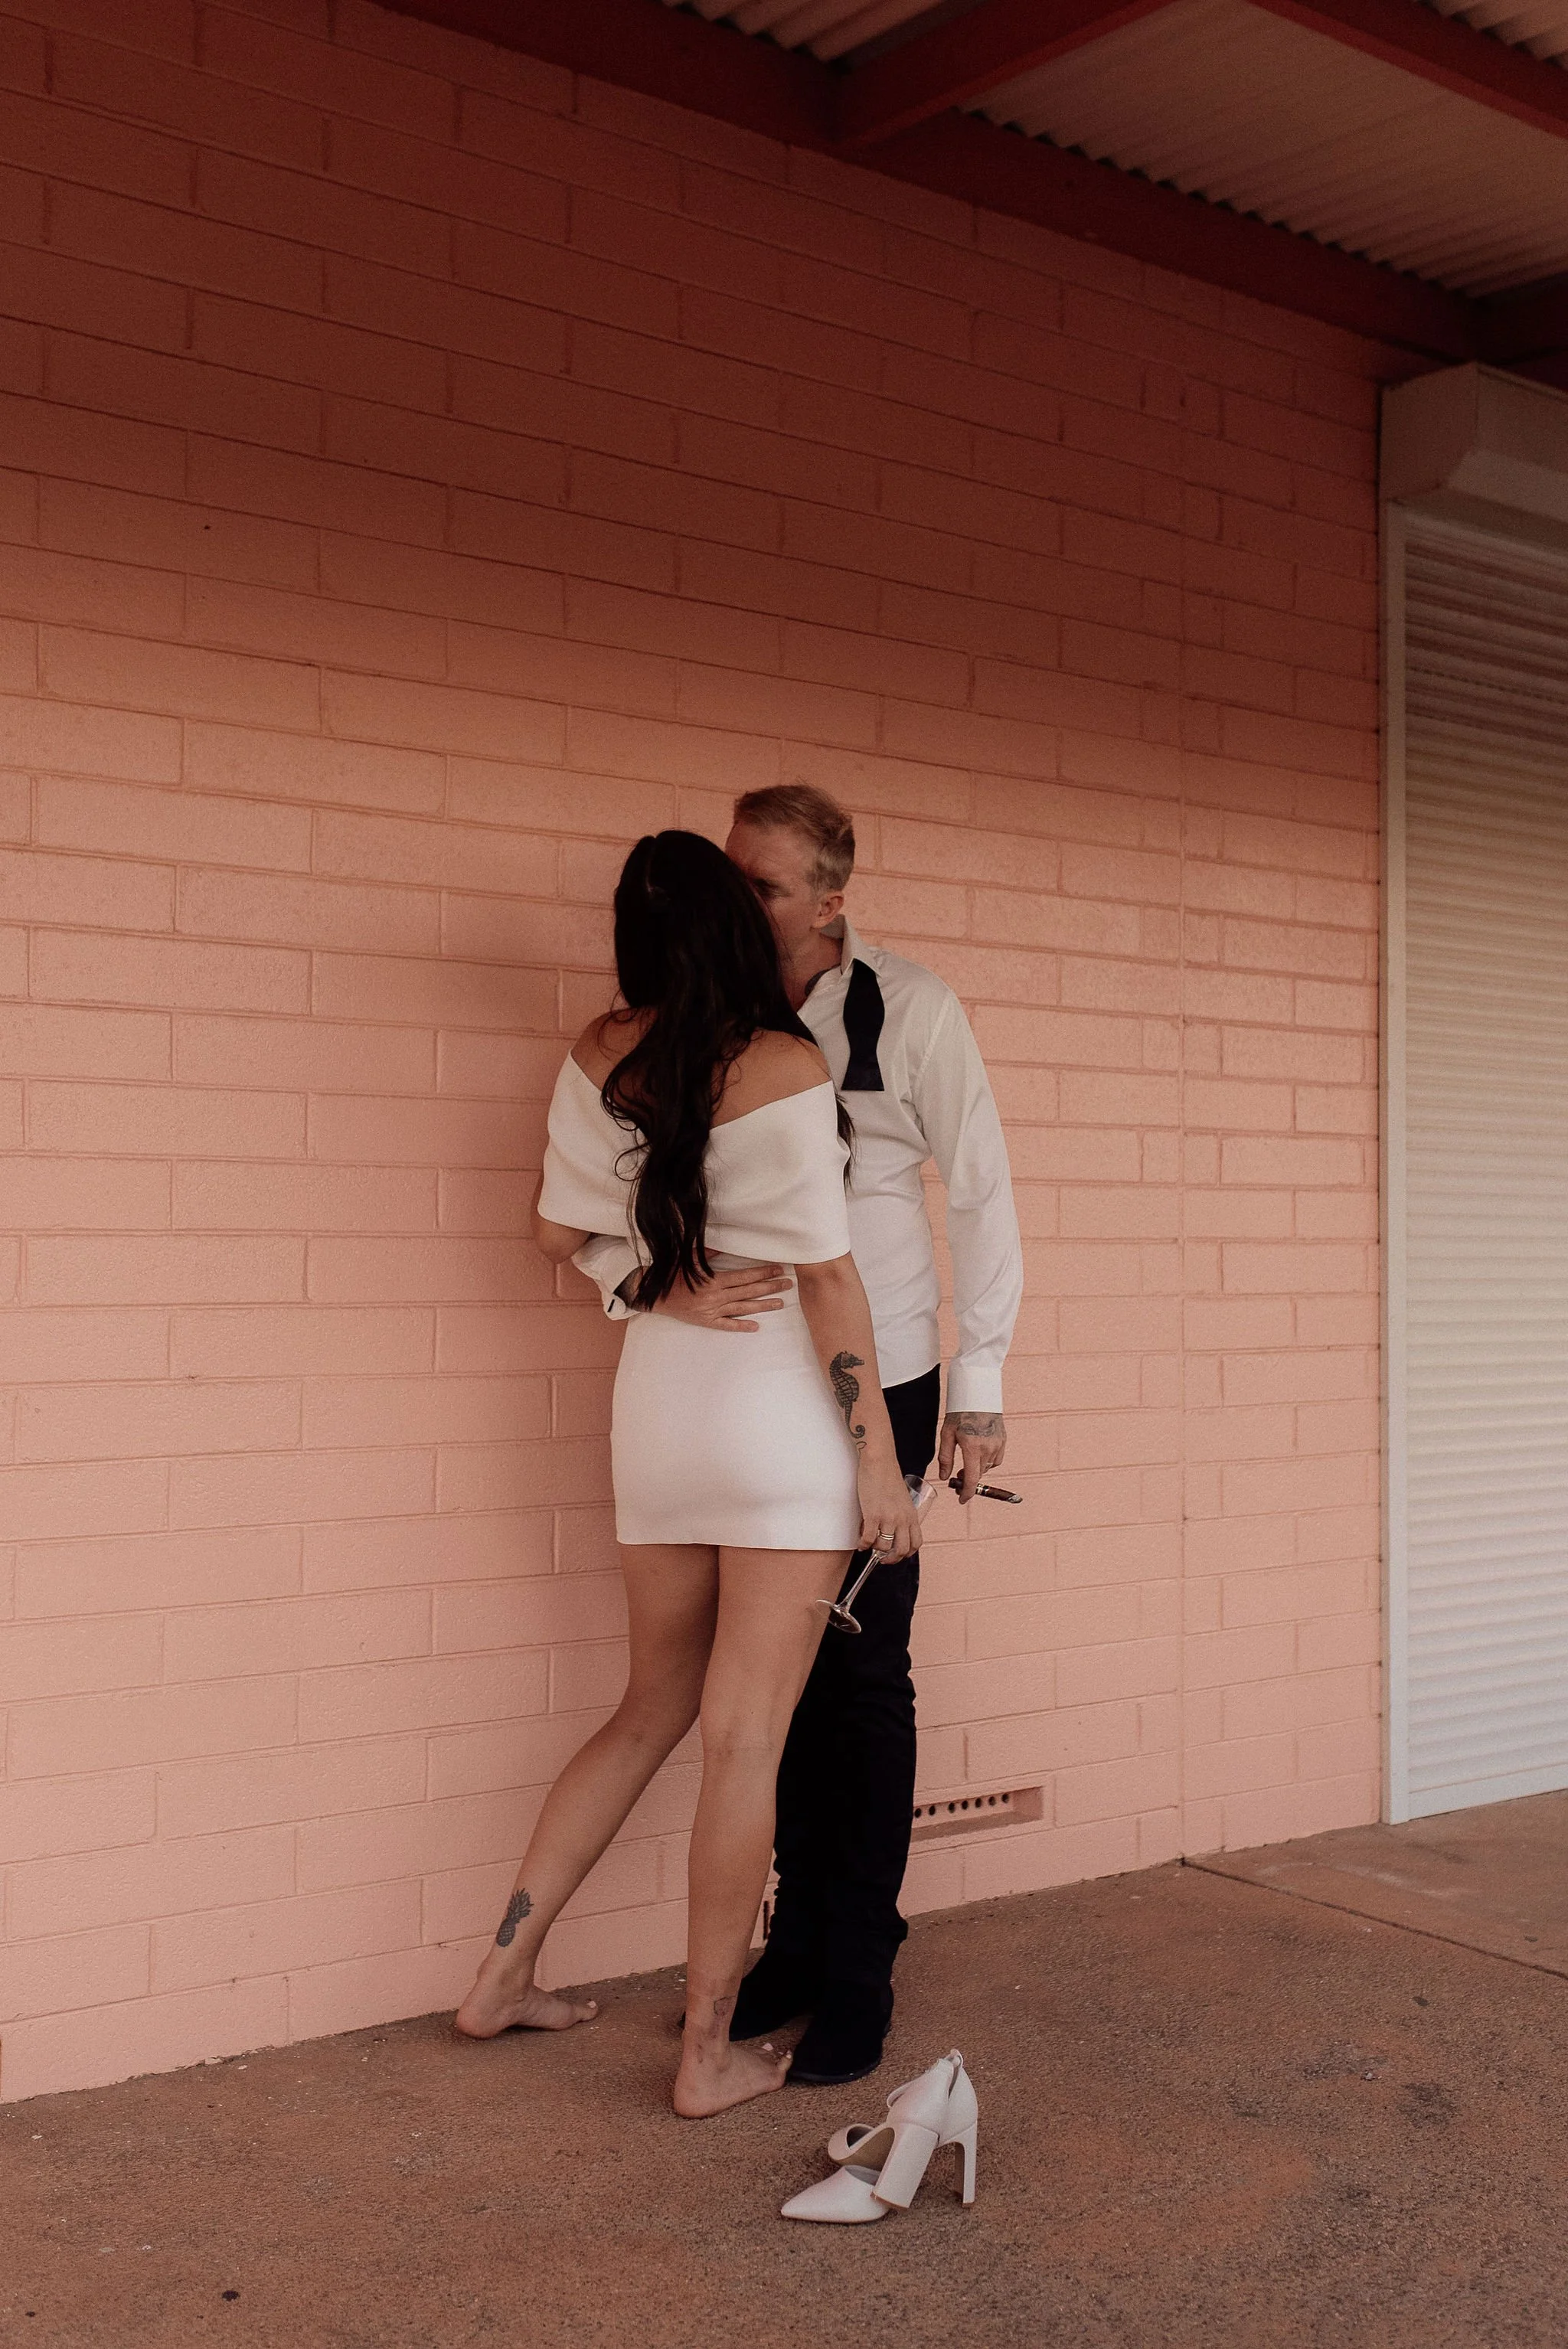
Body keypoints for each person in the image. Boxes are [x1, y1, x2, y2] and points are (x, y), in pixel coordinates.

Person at [455, 828, 921, 2119]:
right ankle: (707, 2054)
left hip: (659, 1401)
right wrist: (878, 1463)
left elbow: (558, 1232)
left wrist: (652, 1279)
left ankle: (500, 1978)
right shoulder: (784, 1061)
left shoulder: (602, 1051)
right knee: (744, 1737)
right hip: (778, 1420)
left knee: (645, 1707)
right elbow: (830, 1281)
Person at [577, 784, 1023, 2086]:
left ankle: (859, 1966)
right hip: (750, 1384)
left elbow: (983, 1192)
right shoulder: (701, 1015)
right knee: (774, 1689)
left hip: (884, 1381)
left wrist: (978, 1391)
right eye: (733, 879)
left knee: (864, 1672)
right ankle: (791, 1945)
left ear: (832, 902)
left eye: (764, 887)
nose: (738, 902)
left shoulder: (907, 1010)